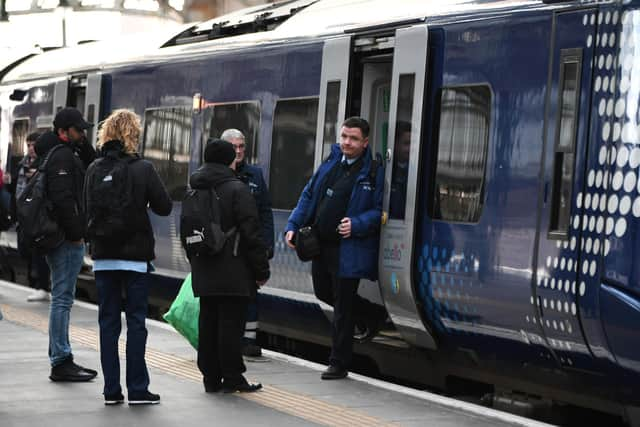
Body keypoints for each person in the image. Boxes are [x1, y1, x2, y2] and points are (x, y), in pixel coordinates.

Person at [285, 117, 386, 380]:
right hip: (321, 243)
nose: (346, 143)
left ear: (365, 142)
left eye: (353, 139)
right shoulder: (330, 163)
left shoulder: (373, 172)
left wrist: (357, 223)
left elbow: (381, 212)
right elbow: (308, 195)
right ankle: (373, 314)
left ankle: (339, 363)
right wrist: (293, 224)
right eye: (343, 137)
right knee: (323, 292)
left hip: (348, 248)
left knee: (342, 308)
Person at [85, 109, 172, 405]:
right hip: (135, 260)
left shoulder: (94, 168)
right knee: (136, 322)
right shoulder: (143, 168)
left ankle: (111, 391)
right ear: (133, 134)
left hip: (104, 258)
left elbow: (87, 211)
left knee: (108, 324)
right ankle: (137, 389)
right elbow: (164, 207)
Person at [188, 138, 269, 393]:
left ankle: (210, 379)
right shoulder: (237, 189)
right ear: (229, 160)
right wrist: (261, 270)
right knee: (230, 327)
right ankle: (233, 377)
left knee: (208, 323)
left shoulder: (194, 187)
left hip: (204, 267)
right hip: (234, 269)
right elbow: (251, 233)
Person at [37, 107, 97, 382]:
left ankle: (61, 357)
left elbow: (91, 161)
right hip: (65, 239)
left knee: (62, 298)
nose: (82, 134)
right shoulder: (61, 158)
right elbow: (63, 201)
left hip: (63, 237)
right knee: (62, 299)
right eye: (78, 130)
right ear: (63, 132)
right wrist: (77, 233)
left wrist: (83, 144)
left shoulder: (66, 153)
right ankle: (61, 360)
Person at [221, 128, 274, 358]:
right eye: (234, 147)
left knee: (251, 293)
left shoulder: (255, 175)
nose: (239, 151)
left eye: (242, 146)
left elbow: (265, 213)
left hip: (249, 247)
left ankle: (248, 341)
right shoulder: (218, 175)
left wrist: (267, 246)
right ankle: (226, 339)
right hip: (224, 249)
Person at [15, 132, 52, 302]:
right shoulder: (22, 164)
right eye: (28, 145)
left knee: (39, 251)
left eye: (33, 145)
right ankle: (36, 284)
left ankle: (42, 286)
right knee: (26, 251)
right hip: (23, 214)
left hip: (36, 215)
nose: (30, 148)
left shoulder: (43, 165)